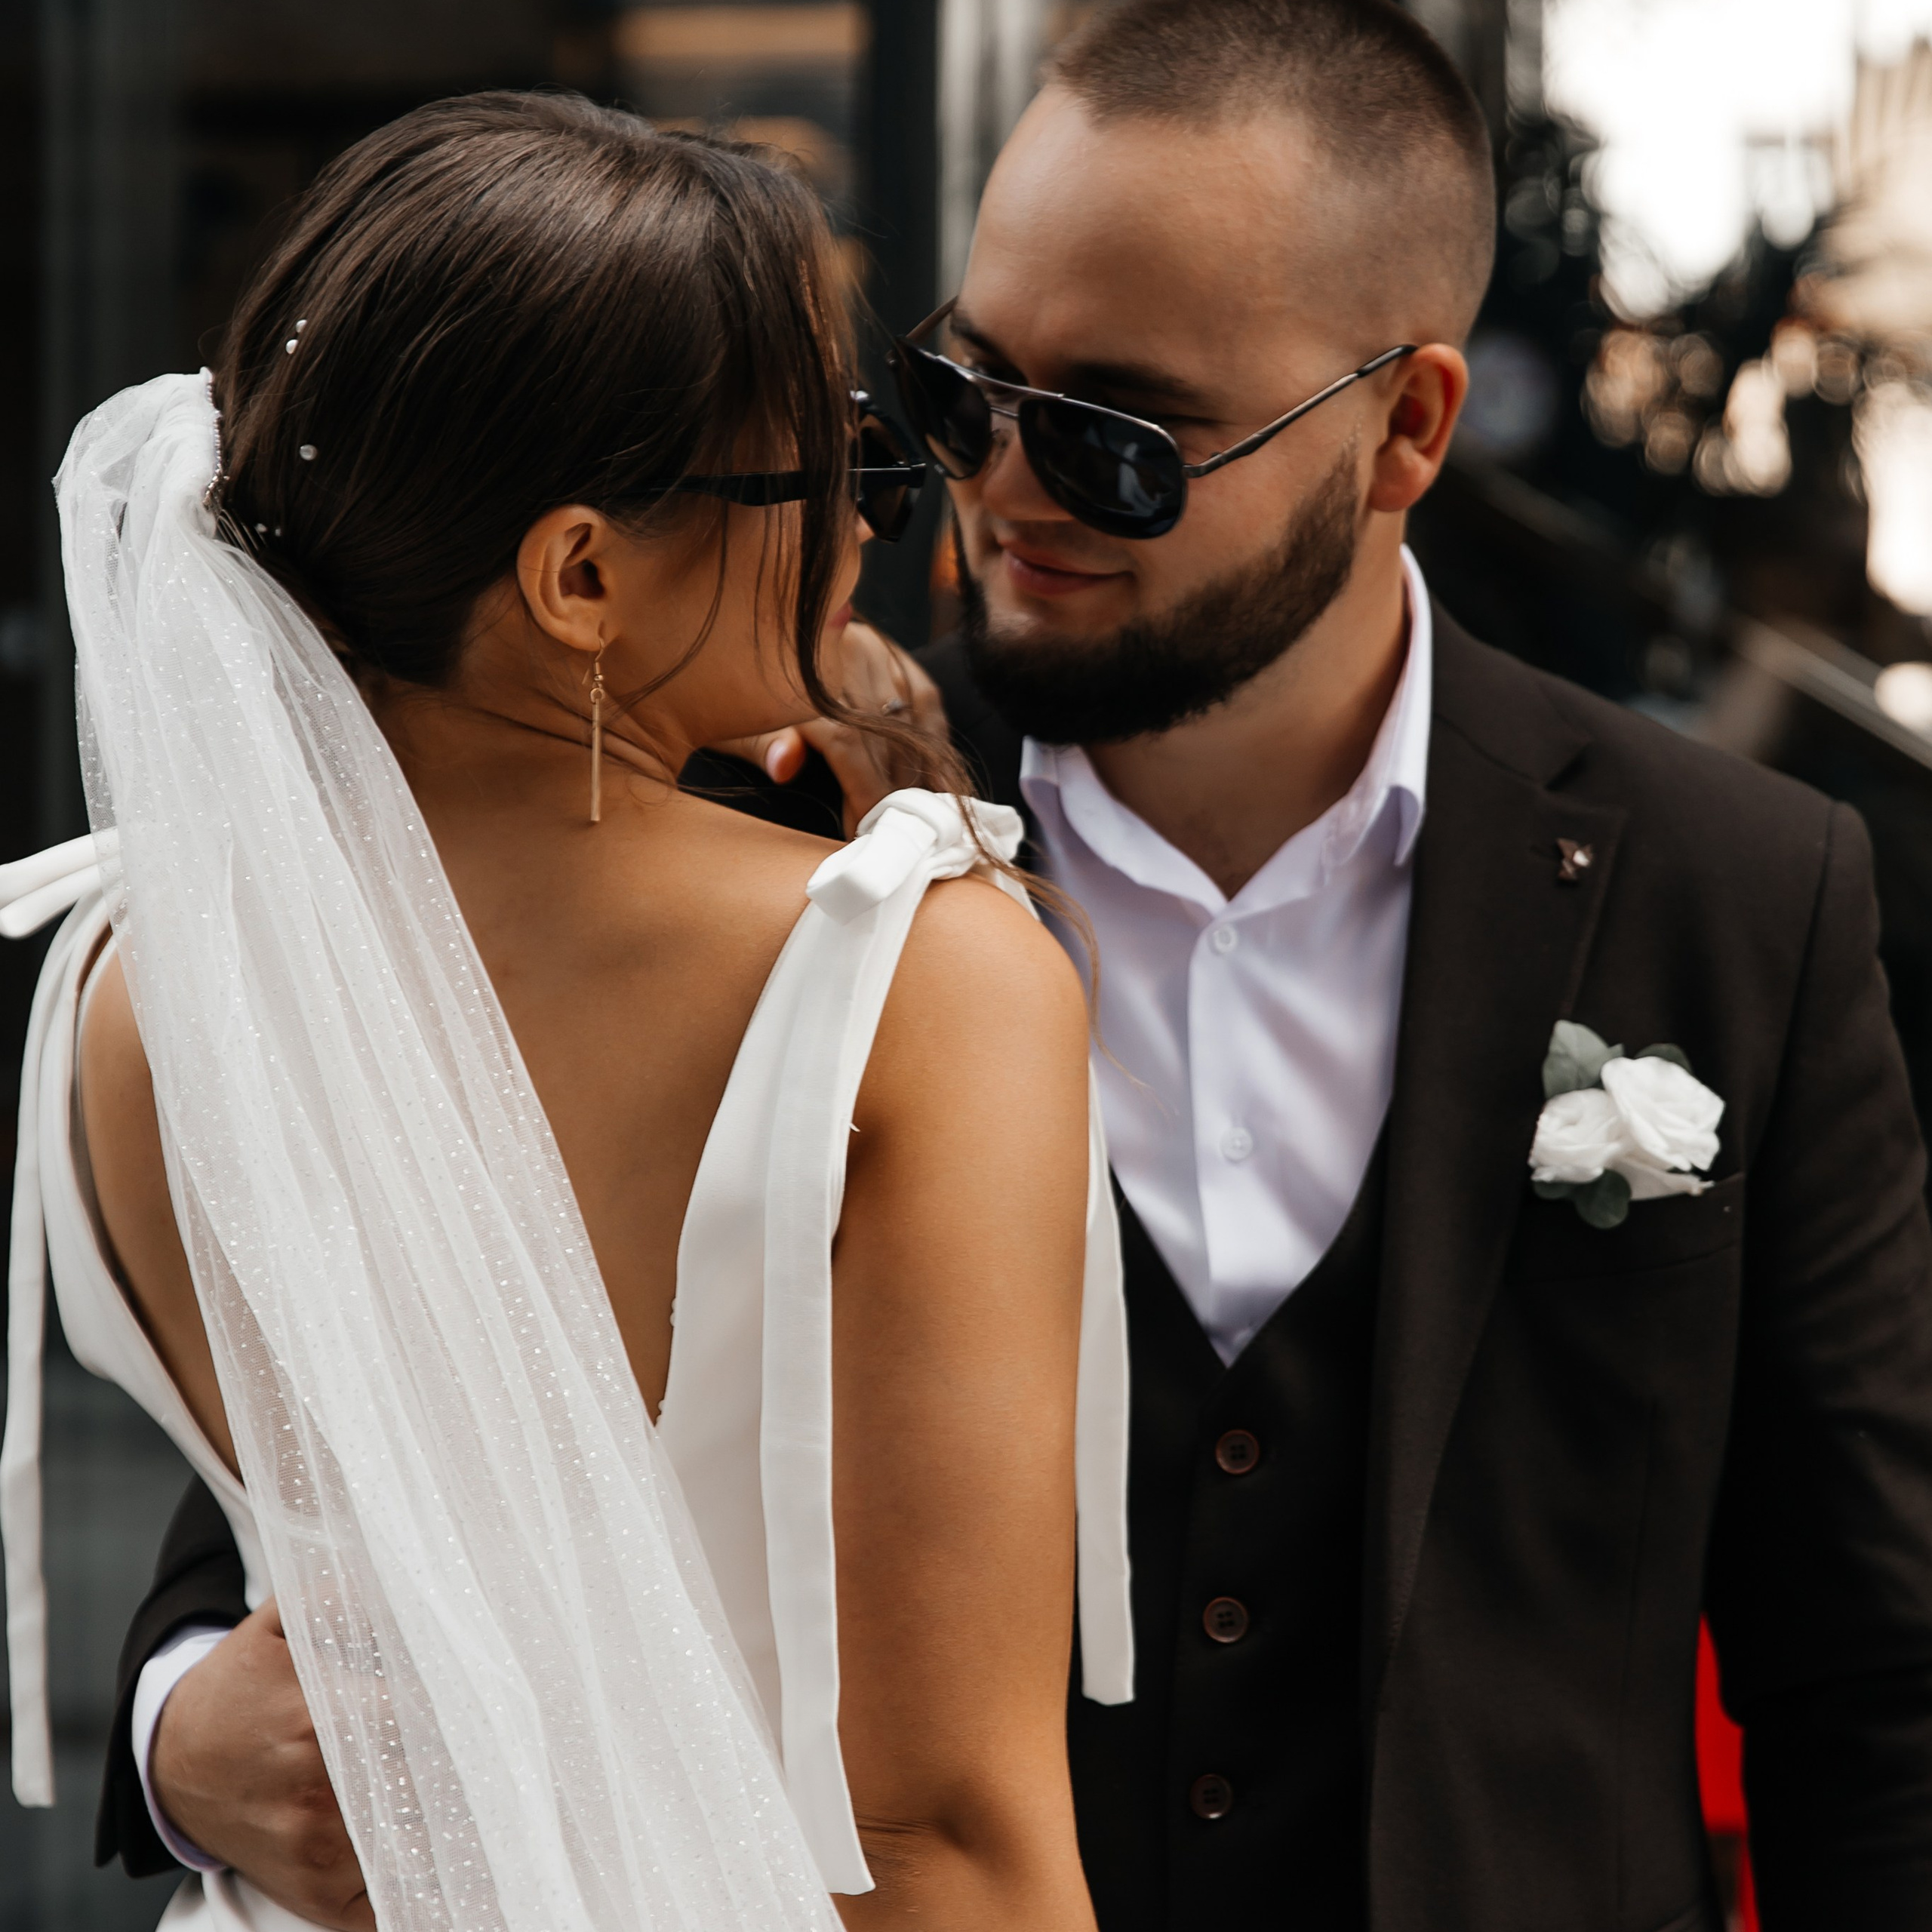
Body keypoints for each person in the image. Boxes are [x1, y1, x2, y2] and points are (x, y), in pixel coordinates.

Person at [88, 1, 1932, 1927]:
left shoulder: (1736, 889)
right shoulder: (723, 841)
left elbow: (1871, 1677)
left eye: (1118, 437)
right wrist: (176, 1722)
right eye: (961, 392)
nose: (1001, 488)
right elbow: (354, 1409)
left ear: (1404, 430)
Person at [2, 92, 1134, 1932]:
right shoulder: (921, 980)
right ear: (581, 576)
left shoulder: (133, 970)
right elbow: (941, 1832)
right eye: (827, 470)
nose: (873, 524)